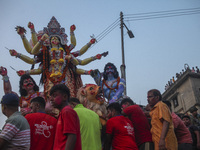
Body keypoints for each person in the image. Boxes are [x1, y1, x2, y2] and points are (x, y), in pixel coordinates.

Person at [49, 84, 81, 150]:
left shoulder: (67, 111)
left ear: (65, 97)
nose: (51, 99)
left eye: (54, 96)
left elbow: (72, 136)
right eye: (51, 97)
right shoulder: (63, 112)